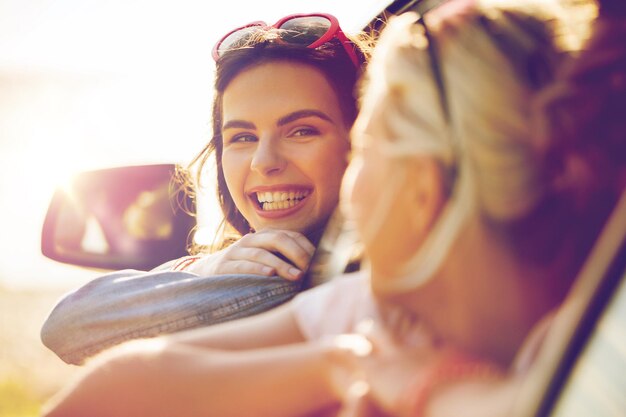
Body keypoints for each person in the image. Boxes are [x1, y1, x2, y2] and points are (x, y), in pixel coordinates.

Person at [42, 0, 625, 416]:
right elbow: (92, 352)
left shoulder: (352, 297)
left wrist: (422, 384)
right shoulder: (364, 306)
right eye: (239, 137)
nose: (265, 161)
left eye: (365, 146)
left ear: (421, 190)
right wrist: (343, 363)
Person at [41, 12, 369, 365]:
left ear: (364, 138)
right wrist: (211, 266)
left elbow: (68, 326)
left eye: (301, 130)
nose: (263, 161)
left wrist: (210, 270)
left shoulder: (299, 279)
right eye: (242, 137)